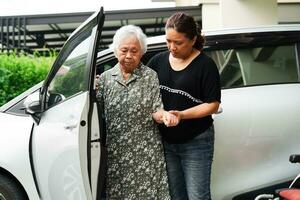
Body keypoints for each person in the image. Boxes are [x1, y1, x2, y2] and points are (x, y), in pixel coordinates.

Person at [96, 25, 177, 199]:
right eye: (124, 50)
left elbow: (156, 109)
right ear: (116, 50)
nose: (128, 56)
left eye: (134, 51)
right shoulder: (104, 79)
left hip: (146, 152)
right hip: (116, 152)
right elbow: (96, 112)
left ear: (142, 52)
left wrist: (165, 116)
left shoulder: (150, 76)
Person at [147, 12, 221, 200]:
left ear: (193, 39)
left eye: (178, 42)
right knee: (176, 196)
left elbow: (212, 105)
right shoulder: (157, 62)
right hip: (167, 142)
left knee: (198, 196)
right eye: (168, 41)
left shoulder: (205, 65)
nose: (172, 47)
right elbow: (147, 96)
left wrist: (181, 115)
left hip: (196, 141)